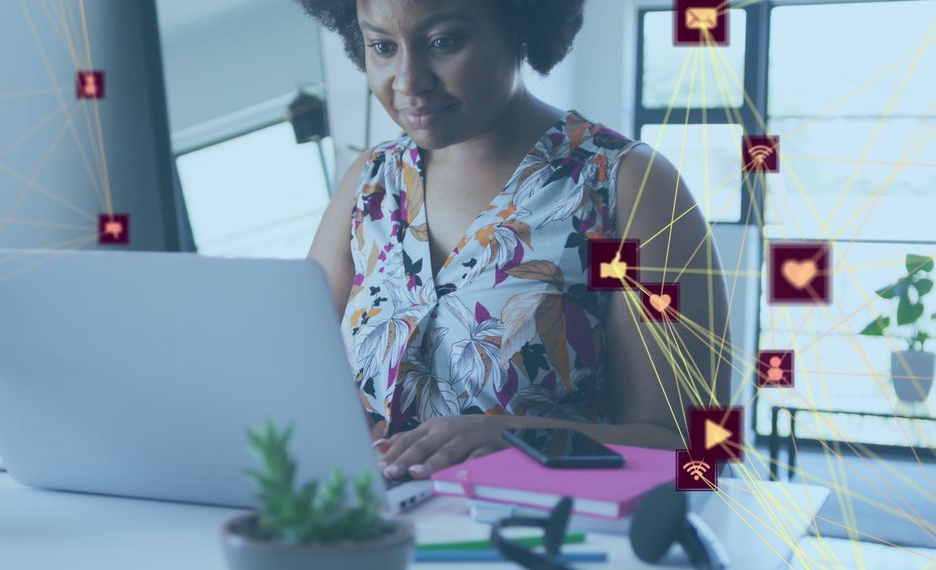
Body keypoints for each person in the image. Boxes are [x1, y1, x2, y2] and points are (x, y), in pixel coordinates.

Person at [302, 0, 731, 481]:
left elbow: (692, 448)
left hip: (551, 540)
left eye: (444, 42)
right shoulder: (370, 184)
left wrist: (516, 437)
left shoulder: (624, 186)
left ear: (521, 24)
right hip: (376, 539)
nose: (407, 81)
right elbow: (285, 371)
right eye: (383, 46)